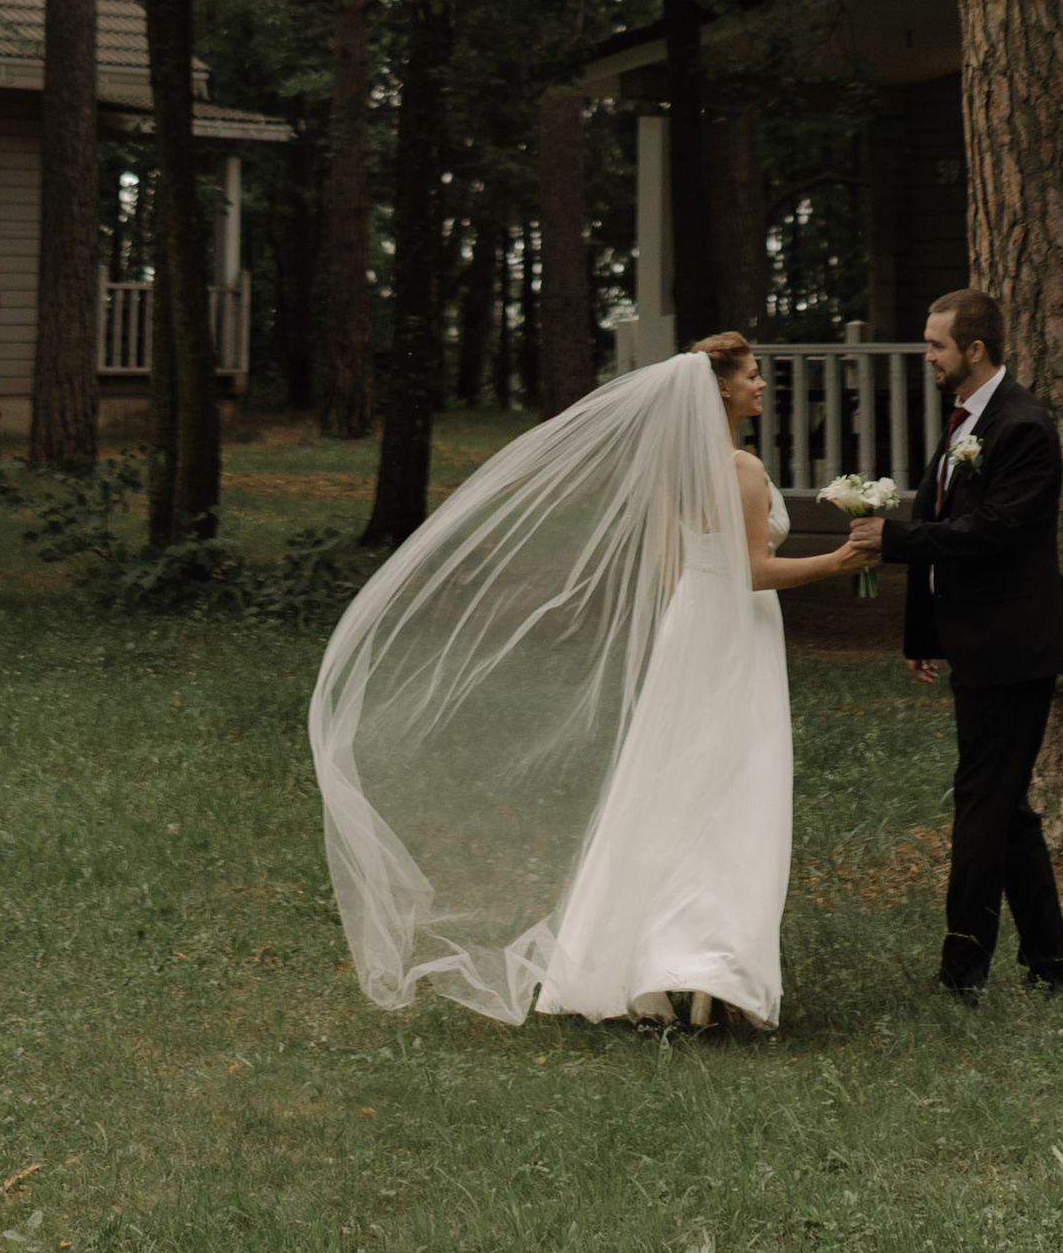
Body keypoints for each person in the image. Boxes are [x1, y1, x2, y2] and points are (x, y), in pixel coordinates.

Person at [309, 331, 866, 1036]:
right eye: (753, 375)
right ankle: (709, 967)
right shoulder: (743, 468)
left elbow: (675, 567)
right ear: (721, 387)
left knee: (671, 788)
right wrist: (841, 559)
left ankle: (651, 963)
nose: (761, 384)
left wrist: (688, 627)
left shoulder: (677, 466)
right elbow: (754, 571)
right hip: (738, 634)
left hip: (691, 630)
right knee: (737, 787)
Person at [846, 288, 1063, 1002]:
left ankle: (961, 973)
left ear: (974, 349)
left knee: (982, 802)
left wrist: (894, 542)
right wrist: (925, 632)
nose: (927, 356)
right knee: (1004, 807)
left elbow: (994, 531)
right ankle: (1050, 965)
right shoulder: (965, 421)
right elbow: (942, 513)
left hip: (1016, 645)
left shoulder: (1024, 425)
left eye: (936, 345)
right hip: (977, 642)